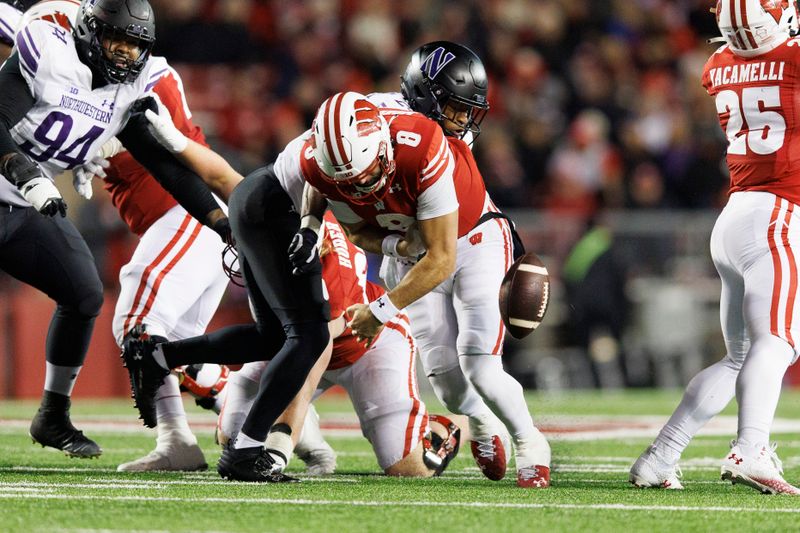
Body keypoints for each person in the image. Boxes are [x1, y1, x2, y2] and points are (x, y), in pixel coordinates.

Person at [0, 0, 230, 458]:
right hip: (24, 188)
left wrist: (224, 226)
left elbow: (172, 174)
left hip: (21, 208)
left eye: (134, 44)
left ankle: (53, 415)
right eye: (116, 40)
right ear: (88, 32)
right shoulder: (51, 53)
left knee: (84, 294)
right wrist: (26, 173)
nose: (125, 53)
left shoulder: (133, 91)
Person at [292, 90, 551, 488]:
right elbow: (349, 223)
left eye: (366, 176)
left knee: (480, 364)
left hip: (471, 239)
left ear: (382, 144)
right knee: (446, 381)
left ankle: (530, 442)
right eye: (348, 183)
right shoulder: (319, 162)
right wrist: (316, 226)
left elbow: (442, 256)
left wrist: (379, 312)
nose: (362, 190)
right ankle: (482, 423)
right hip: (412, 255)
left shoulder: (421, 146)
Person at [630, 0, 800, 495]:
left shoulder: (717, 65)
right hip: (778, 215)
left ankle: (660, 456)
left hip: (734, 217)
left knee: (737, 356)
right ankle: (750, 447)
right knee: (778, 342)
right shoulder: (789, 59)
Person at [120, 98, 332, 483]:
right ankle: (246, 450)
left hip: (256, 204)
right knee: (309, 333)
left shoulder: (358, 144)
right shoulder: (347, 153)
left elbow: (230, 180)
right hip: (270, 213)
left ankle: (159, 357)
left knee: (273, 338)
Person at [217, 212, 460, 478]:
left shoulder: (333, 278)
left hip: (367, 345)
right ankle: (307, 434)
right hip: (292, 345)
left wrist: (280, 446)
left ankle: (445, 427)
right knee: (233, 437)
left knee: (408, 468)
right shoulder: (289, 217)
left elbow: (308, 357)